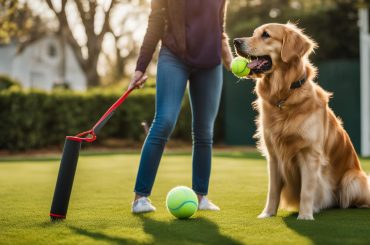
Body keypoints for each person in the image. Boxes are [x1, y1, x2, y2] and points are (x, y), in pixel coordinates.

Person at [129, 0, 233, 213]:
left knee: (204, 131)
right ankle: (140, 198)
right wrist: (141, 67)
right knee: (164, 121)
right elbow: (155, 23)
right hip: (174, 56)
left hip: (210, 64)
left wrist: (230, 61)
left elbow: (219, 28)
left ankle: (201, 196)